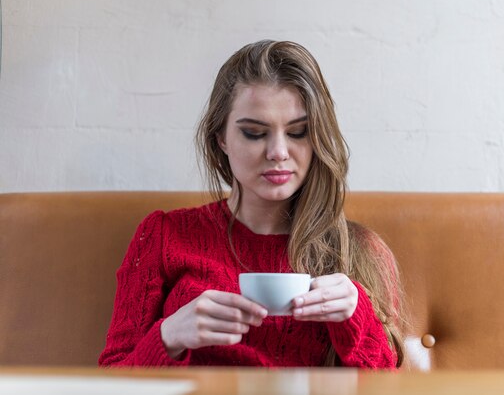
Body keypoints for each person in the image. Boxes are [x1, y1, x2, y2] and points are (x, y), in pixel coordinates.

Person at [99, 40, 406, 368]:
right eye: (255, 133)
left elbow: (387, 383)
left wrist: (354, 316)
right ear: (221, 138)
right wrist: (169, 336)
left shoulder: (358, 250)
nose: (278, 152)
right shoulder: (163, 236)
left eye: (298, 132)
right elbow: (114, 377)